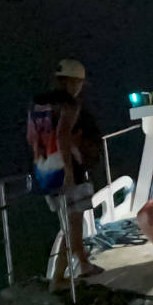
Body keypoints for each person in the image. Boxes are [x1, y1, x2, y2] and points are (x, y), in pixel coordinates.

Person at [27, 58, 104, 287]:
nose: (80, 88)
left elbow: (32, 137)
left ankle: (83, 263)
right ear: (73, 82)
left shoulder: (36, 103)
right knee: (73, 225)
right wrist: (69, 171)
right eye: (79, 83)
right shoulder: (69, 104)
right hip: (65, 171)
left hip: (43, 170)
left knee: (68, 224)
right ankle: (59, 280)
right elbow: (62, 135)